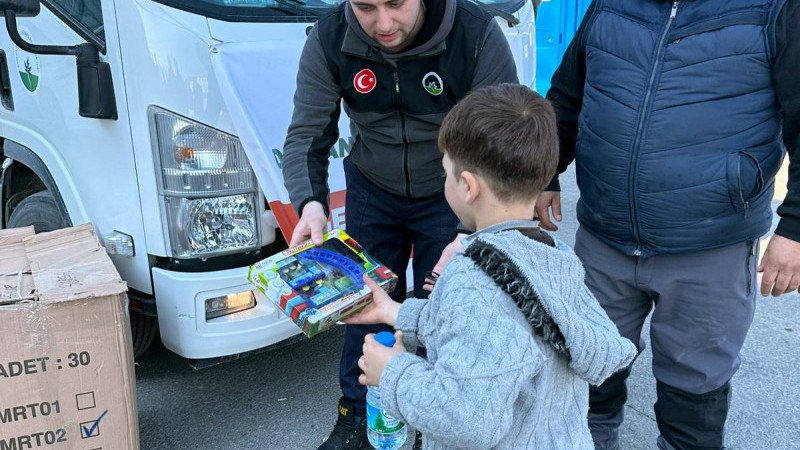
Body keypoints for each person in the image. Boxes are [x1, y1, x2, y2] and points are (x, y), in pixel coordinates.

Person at [536, 1, 800, 449]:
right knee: (588, 375)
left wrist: (794, 227)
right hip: (604, 237)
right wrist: (547, 171)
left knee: (693, 395)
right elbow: (568, 94)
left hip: (710, 245)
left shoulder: (775, 9)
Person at [345, 83, 637, 450]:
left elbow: (467, 421)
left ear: (468, 187)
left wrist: (392, 374)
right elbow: (497, 329)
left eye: (445, 171)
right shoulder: (553, 255)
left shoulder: (473, 278)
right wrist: (395, 312)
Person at [280, 0, 518, 448]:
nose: (383, 24)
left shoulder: (476, 34)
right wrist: (310, 204)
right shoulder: (329, 36)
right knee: (360, 304)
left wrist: (472, 233)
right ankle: (357, 415)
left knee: (444, 314)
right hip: (372, 187)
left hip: (453, 197)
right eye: (366, 7)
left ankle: (436, 427)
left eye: (395, 4)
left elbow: (499, 146)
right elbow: (307, 133)